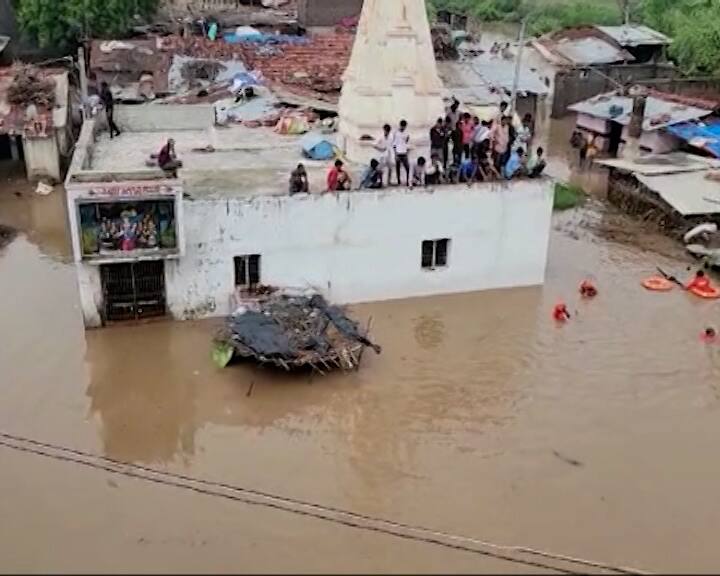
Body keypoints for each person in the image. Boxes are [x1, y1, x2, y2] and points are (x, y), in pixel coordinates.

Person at [393, 120, 411, 186]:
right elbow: (394, 144)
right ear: (400, 125)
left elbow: (407, 141)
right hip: (398, 152)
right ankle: (398, 181)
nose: (403, 128)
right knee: (398, 168)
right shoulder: (396, 133)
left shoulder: (406, 134)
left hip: (404, 152)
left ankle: (408, 181)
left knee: (407, 168)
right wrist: (395, 154)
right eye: (403, 126)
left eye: (404, 126)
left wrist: (407, 150)